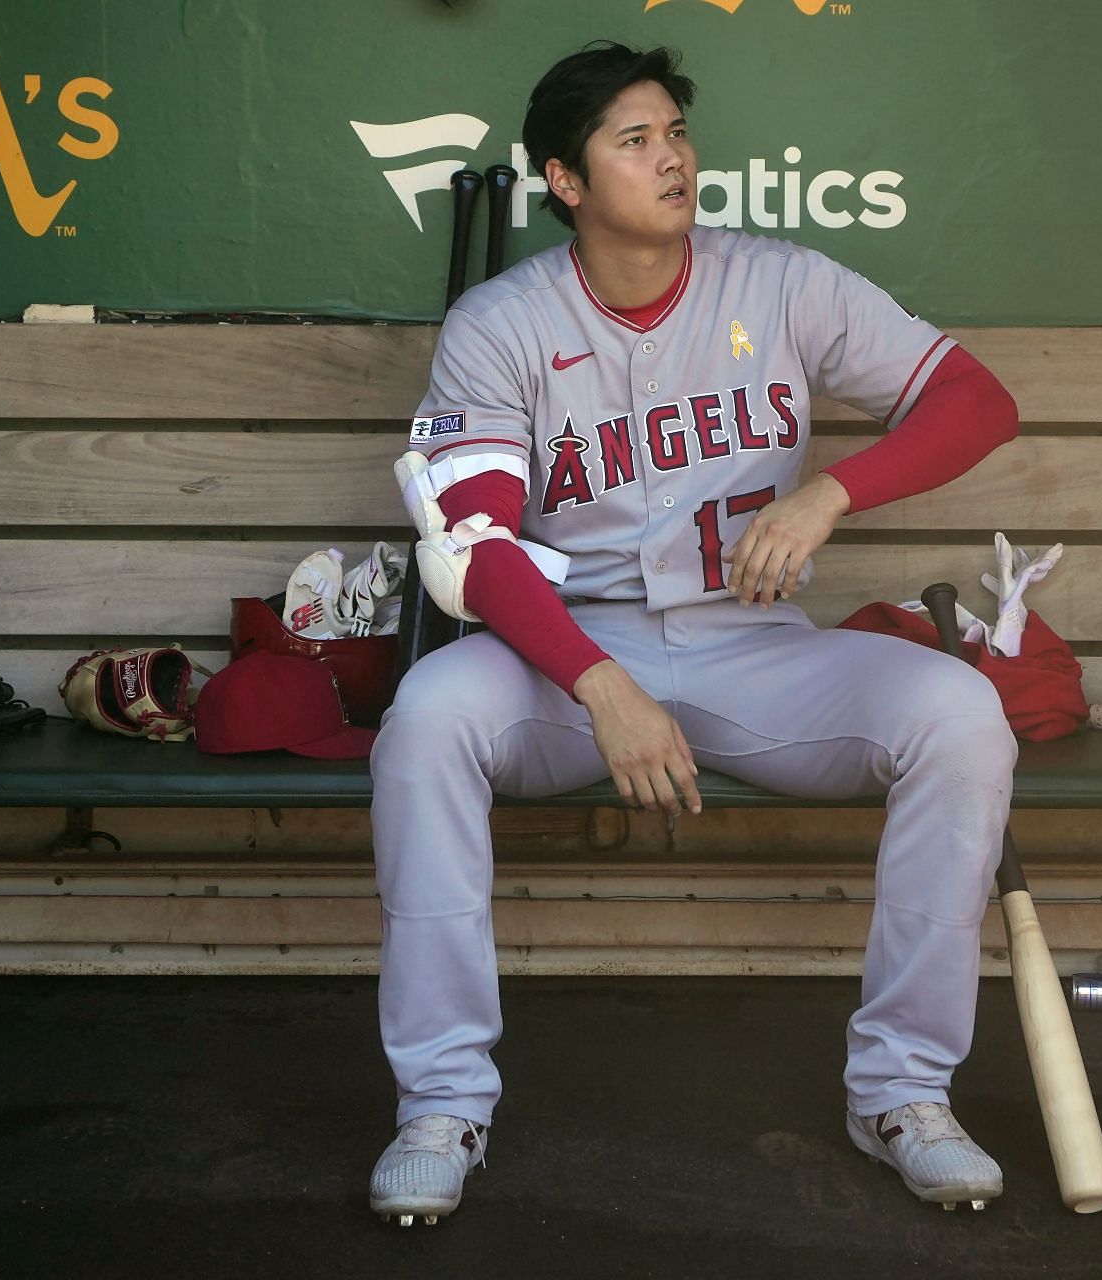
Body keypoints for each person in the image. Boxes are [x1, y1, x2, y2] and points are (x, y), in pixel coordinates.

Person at [369, 41, 1022, 1226]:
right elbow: (477, 545)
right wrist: (601, 684)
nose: (670, 157)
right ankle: (442, 1100)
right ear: (566, 182)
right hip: (564, 658)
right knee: (425, 722)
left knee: (960, 716)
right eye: (634, 140)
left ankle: (901, 1092)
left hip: (756, 643)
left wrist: (833, 492)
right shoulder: (501, 321)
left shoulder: (778, 283)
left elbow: (980, 400)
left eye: (675, 132)